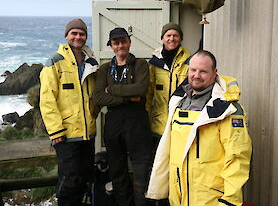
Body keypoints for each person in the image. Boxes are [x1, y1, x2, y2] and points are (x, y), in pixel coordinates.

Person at [146, 50, 252, 206]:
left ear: (214, 73)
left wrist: (229, 201)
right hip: (178, 198)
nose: (196, 75)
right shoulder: (178, 102)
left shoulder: (228, 110)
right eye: (193, 70)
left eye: (203, 71)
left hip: (211, 200)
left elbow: (237, 159)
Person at [40, 18, 99, 206]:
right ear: (66, 36)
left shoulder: (90, 62)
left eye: (81, 34)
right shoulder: (54, 63)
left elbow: (93, 94)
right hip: (65, 135)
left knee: (85, 178)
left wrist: (94, 112)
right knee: (69, 181)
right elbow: (47, 101)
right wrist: (56, 131)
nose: (78, 37)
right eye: (74, 33)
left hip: (87, 133)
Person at [92, 27, 152, 206]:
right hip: (113, 124)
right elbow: (98, 97)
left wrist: (112, 90)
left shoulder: (140, 64)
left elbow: (141, 90)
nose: (120, 46)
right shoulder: (104, 69)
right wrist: (129, 98)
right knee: (118, 171)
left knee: (141, 171)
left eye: (123, 41)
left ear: (129, 42)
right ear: (111, 45)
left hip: (137, 123)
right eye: (116, 43)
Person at [146, 22, 191, 142]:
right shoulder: (154, 63)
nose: (172, 39)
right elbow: (149, 93)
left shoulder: (189, 61)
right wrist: (146, 117)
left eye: (175, 35)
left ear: (181, 38)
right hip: (158, 123)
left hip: (181, 122)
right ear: (162, 39)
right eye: (168, 35)